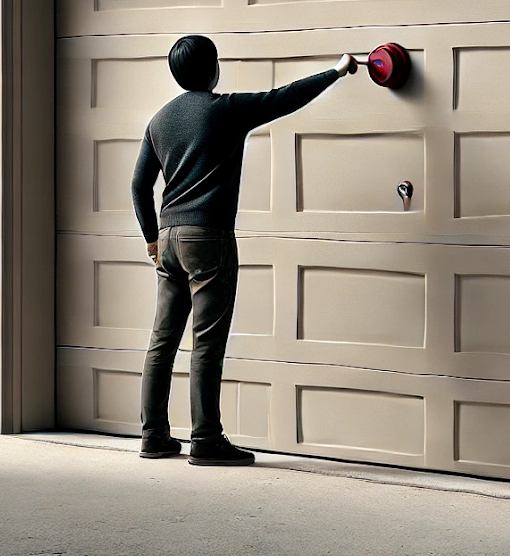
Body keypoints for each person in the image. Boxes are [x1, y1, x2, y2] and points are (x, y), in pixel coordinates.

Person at [132, 34, 358, 465]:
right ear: (212, 68)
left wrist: (151, 237)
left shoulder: (158, 121)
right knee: (206, 344)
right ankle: (205, 440)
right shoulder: (224, 110)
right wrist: (337, 70)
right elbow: (284, 98)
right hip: (208, 239)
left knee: (162, 342)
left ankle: (153, 436)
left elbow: (139, 185)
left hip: (170, 240)